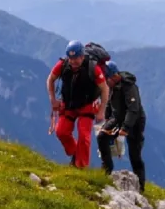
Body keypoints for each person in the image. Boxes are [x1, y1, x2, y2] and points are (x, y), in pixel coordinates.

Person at [46, 40, 109, 168]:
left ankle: (80, 167)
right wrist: (53, 100)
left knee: (84, 136)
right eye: (71, 58)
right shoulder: (63, 65)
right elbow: (50, 79)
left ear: (82, 56)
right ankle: (74, 153)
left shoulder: (93, 68)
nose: (73, 61)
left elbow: (105, 89)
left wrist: (102, 111)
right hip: (68, 105)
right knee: (61, 132)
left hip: (86, 106)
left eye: (76, 58)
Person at [97, 61, 147, 193]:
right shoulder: (112, 85)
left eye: (106, 79)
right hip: (117, 118)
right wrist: (107, 116)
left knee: (134, 154)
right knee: (102, 136)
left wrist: (125, 128)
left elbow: (133, 110)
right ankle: (106, 170)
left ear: (113, 76)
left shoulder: (129, 87)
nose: (105, 82)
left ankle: (140, 186)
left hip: (134, 122)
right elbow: (109, 100)